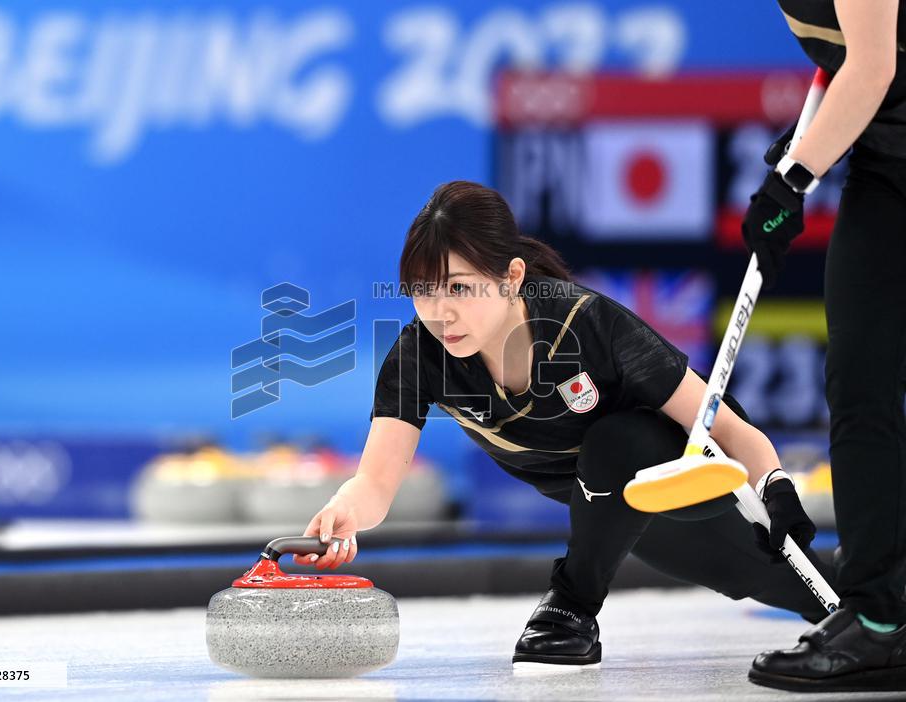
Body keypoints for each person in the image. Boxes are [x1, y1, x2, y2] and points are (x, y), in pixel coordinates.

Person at [293, 180, 831, 670]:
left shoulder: (589, 326)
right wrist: (346, 513)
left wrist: (778, 489)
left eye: (459, 288)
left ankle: (571, 607)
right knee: (777, 586)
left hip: (693, 480)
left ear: (512, 278)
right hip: (612, 513)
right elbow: (376, 483)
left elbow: (733, 432)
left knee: (620, 441)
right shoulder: (418, 356)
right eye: (422, 290)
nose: (440, 313)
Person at [741, 0, 906, 693]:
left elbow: (873, 65)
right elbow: (852, 64)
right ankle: (879, 621)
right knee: (859, 381)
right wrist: (807, 143)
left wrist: (795, 177)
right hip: (887, 167)